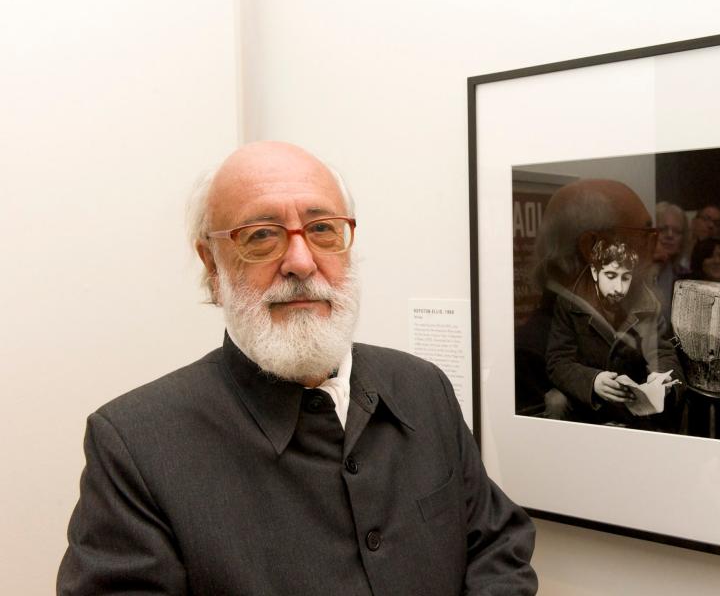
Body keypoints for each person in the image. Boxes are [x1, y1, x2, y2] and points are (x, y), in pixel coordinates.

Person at [57, 142, 537, 595]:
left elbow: (496, 544)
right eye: (261, 236)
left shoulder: (421, 385)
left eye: (323, 228)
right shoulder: (136, 445)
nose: (302, 262)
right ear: (212, 265)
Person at [543, 236, 684, 431]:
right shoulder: (569, 303)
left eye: (625, 277)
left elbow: (664, 354)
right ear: (594, 272)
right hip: (585, 403)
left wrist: (663, 379)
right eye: (610, 276)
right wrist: (593, 382)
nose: (619, 287)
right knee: (555, 401)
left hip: (631, 404)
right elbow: (557, 361)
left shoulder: (648, 305)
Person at [652, 201, 690, 327]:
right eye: (663, 229)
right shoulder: (634, 272)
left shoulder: (685, 277)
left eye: (677, 231)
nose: (670, 235)